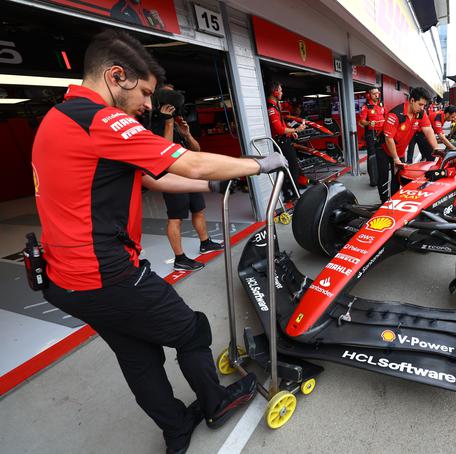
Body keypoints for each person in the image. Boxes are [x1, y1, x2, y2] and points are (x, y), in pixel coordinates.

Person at [32, 29, 288, 454]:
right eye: (146, 93)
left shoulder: (58, 120)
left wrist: (208, 181)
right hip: (107, 274)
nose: (149, 105)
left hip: (65, 281)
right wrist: (258, 164)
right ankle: (216, 403)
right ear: (116, 76)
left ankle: (175, 430)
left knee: (137, 355)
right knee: (191, 332)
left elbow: (153, 175)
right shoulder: (100, 119)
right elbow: (187, 159)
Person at [150, 84, 224, 271]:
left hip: (188, 176)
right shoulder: (155, 124)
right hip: (172, 178)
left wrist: (187, 134)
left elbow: (197, 150)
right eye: (168, 94)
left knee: (198, 210)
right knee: (176, 218)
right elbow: (164, 154)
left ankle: (205, 242)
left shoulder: (177, 122)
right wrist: (167, 122)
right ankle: (180, 259)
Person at [379, 87, 438, 202]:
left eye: (424, 105)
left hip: (400, 150)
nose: (422, 108)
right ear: (412, 100)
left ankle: (394, 202)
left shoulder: (421, 114)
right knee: (383, 178)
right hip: (384, 148)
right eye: (420, 104)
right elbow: (388, 138)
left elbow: (428, 130)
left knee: (398, 177)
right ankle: (383, 202)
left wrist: (436, 149)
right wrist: (395, 158)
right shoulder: (395, 114)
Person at [266, 80, 308, 199]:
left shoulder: (275, 105)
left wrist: (291, 132)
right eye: (280, 90)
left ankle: (287, 193)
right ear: (275, 92)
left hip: (283, 140)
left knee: (283, 167)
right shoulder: (271, 108)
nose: (282, 93)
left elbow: (282, 124)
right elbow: (279, 129)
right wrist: (296, 130)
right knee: (293, 167)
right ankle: (295, 194)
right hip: (281, 142)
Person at [358, 88, 385, 187]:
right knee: (372, 156)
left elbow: (385, 116)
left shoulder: (381, 104)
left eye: (377, 93)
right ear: (369, 95)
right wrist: (369, 123)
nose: (376, 95)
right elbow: (362, 121)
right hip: (371, 134)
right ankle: (373, 180)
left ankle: (382, 177)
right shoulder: (366, 107)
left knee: (382, 154)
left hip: (382, 133)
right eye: (374, 94)